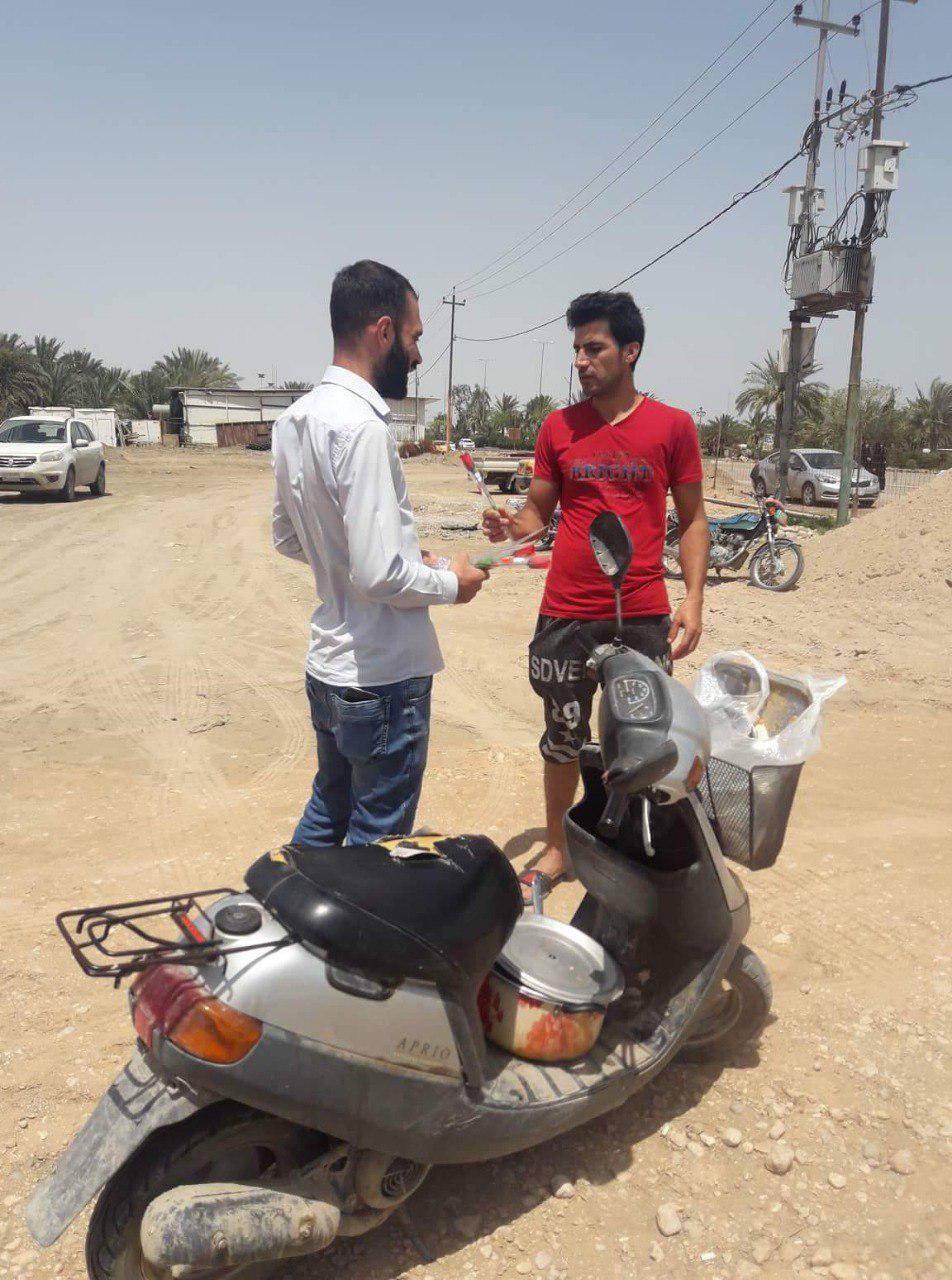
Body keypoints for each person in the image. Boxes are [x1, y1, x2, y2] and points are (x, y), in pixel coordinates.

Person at [482, 290, 709, 902]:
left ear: (630, 351)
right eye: (577, 349)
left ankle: (633, 847)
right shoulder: (558, 427)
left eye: (594, 348)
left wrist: (693, 598)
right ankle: (559, 847)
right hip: (566, 611)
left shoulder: (672, 427)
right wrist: (511, 527)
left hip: (641, 613)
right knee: (561, 733)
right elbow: (537, 513)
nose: (581, 360)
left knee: (644, 738)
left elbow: (692, 519)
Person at [272, 259, 488, 847]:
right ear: (383, 331)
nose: (417, 356)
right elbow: (377, 573)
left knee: (328, 811)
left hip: (330, 671)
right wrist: (453, 583)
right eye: (414, 338)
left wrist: (411, 557)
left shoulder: (295, 420)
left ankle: (291, 903)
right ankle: (338, 913)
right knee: (375, 842)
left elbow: (289, 536)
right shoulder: (364, 428)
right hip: (382, 679)